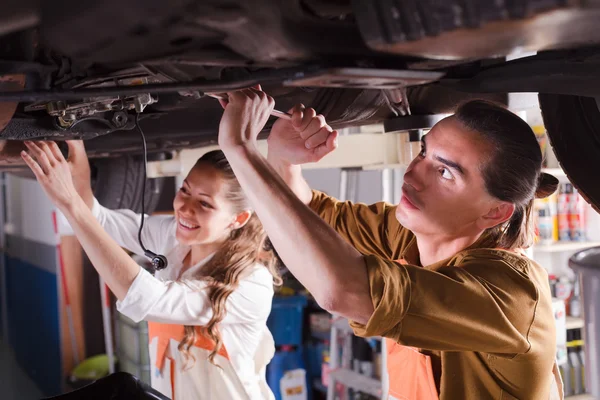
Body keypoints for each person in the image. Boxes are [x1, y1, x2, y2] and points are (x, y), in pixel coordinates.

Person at [215, 90, 562, 399]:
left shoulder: (510, 295)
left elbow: (342, 291)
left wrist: (241, 150)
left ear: (496, 212)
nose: (411, 175)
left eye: (444, 173)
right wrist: (283, 160)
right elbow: (310, 221)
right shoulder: (411, 234)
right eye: (424, 152)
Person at [21, 142, 291, 400]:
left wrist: (71, 204)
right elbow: (103, 222)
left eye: (205, 203)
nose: (185, 208)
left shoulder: (250, 282)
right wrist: (80, 182)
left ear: (239, 218)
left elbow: (146, 299)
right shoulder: (174, 238)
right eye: (185, 190)